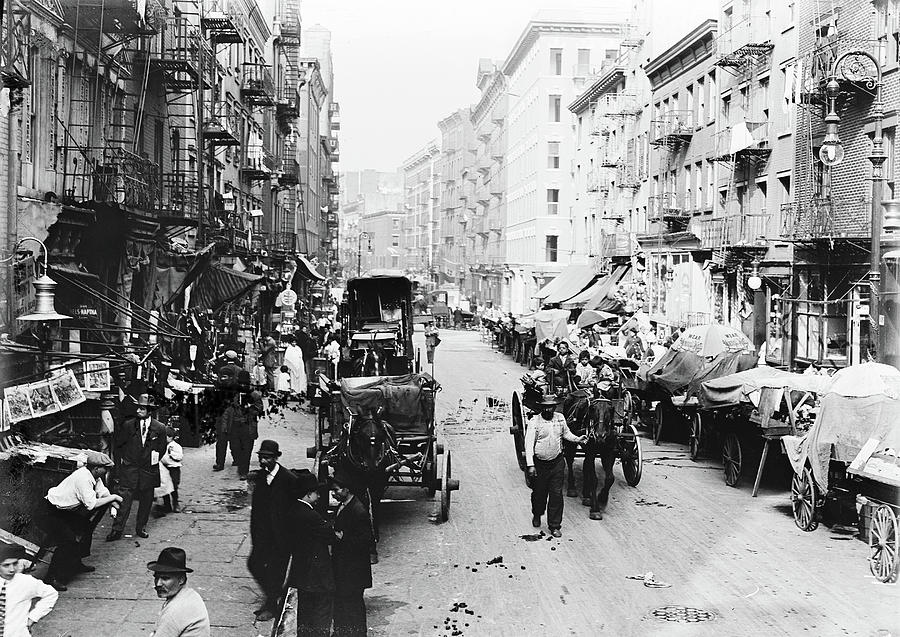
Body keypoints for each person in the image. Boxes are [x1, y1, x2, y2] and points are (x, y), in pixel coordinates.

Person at [39, 453, 121, 590]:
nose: (107, 471)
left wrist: (112, 501)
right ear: (96, 468)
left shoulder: (94, 476)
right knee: (68, 540)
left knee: (86, 527)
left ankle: (75, 562)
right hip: (48, 512)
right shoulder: (83, 478)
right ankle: (51, 577)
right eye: (105, 468)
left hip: (62, 512)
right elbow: (91, 504)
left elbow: (103, 493)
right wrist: (113, 498)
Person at [247, 440, 298, 622]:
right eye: (261, 457)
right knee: (254, 564)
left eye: (267, 458)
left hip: (282, 537)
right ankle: (275, 597)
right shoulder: (260, 477)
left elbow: (295, 508)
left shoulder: (289, 479)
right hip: (262, 535)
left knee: (276, 572)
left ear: (276, 458)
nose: (263, 461)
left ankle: (271, 606)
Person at [108, 394, 167, 541]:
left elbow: (162, 449)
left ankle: (141, 528)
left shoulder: (159, 428)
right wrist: (125, 462)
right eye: (138, 408)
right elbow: (119, 446)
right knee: (124, 501)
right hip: (130, 470)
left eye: (142, 408)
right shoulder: (128, 425)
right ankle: (117, 529)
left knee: (146, 501)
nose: (139, 411)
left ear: (149, 410)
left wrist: (150, 461)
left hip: (148, 471)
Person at [524, 397, 586, 537]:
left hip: (557, 462)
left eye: (551, 407)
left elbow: (566, 434)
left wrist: (577, 439)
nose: (548, 409)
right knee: (539, 494)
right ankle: (537, 514)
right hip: (540, 464)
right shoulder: (535, 421)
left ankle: (554, 525)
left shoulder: (560, 418)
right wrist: (530, 465)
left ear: (554, 407)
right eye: (545, 407)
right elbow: (528, 445)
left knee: (556, 495)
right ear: (541, 407)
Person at [287, 470, 335, 637]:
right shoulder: (311, 516)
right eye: (316, 493)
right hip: (317, 575)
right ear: (308, 494)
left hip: (301, 572)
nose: (319, 496)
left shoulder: (293, 510)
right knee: (321, 613)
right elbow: (330, 535)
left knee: (305, 614)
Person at [329, 469, 373, 637]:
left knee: (353, 606)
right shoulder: (345, 505)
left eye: (337, 490)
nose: (334, 493)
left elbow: (366, 541)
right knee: (342, 602)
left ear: (347, 489)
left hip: (353, 571)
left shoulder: (358, 510)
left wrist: (342, 537)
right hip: (345, 569)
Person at [147, 547, 210, 637]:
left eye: (165, 578)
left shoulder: (173, 612)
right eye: (156, 577)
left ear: (181, 579)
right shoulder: (191, 595)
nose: (158, 583)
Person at [0, 542, 58, 636]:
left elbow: (51, 594)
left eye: (15, 564)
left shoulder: (25, 581)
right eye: (6, 565)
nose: (12, 569)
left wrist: (32, 618)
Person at [223, 393, 258, 479]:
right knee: (235, 448)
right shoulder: (232, 393)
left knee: (246, 451)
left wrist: (251, 407)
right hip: (235, 428)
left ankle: (244, 472)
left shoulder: (254, 395)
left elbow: (259, 409)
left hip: (247, 428)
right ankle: (239, 462)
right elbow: (225, 412)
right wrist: (224, 427)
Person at [161, 426, 183, 513]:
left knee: (174, 486)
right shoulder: (162, 446)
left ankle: (175, 503)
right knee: (164, 487)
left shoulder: (175, 446)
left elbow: (179, 457)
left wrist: (171, 453)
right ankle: (167, 505)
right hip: (164, 468)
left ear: (170, 437)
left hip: (173, 468)